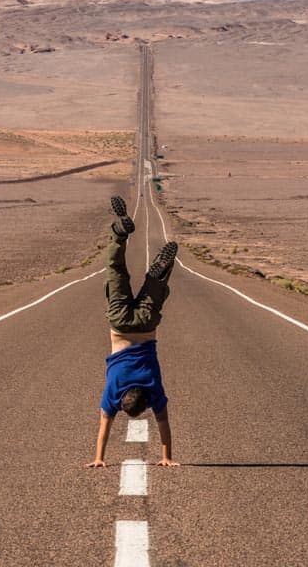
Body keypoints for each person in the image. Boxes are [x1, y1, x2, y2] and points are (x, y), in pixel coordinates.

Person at [84, 195, 179, 468]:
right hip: (120, 324)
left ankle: (158, 275)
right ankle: (119, 233)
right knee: (115, 271)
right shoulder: (113, 393)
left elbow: (164, 424)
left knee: (156, 290)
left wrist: (167, 457)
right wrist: (98, 458)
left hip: (147, 326)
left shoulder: (154, 389)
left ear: (146, 399)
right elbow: (104, 427)